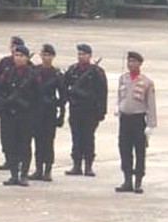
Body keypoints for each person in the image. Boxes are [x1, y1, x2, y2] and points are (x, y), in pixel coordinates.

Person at [0, 44, 41, 186]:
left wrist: (27, 105)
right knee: (10, 145)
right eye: (16, 55)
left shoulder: (32, 74)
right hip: (9, 114)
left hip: (25, 115)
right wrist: (4, 103)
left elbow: (38, 96)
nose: (18, 58)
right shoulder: (8, 72)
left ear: (27, 58)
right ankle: (14, 174)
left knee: (24, 145)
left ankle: (24, 174)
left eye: (21, 56)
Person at [62, 43, 108, 177]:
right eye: (79, 54)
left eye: (84, 54)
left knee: (88, 138)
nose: (81, 56)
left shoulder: (96, 72)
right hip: (76, 109)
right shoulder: (73, 70)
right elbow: (65, 87)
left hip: (90, 110)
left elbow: (102, 93)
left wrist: (101, 112)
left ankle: (88, 166)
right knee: (76, 138)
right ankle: (76, 165)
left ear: (90, 55)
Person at [113, 51, 156, 194]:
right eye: (129, 61)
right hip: (125, 118)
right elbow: (120, 96)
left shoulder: (146, 82)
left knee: (139, 151)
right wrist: (118, 107)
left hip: (138, 119)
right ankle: (127, 180)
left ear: (140, 64)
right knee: (124, 149)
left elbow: (151, 104)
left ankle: (138, 181)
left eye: (134, 61)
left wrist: (151, 124)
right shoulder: (123, 79)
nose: (130, 64)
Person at [30, 43, 65, 182]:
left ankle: (48, 170)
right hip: (36, 110)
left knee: (48, 142)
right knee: (38, 141)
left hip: (50, 111)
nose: (46, 58)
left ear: (53, 57)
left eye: (49, 55)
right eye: (44, 55)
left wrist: (61, 114)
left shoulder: (56, 74)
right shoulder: (35, 71)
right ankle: (38, 169)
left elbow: (62, 96)